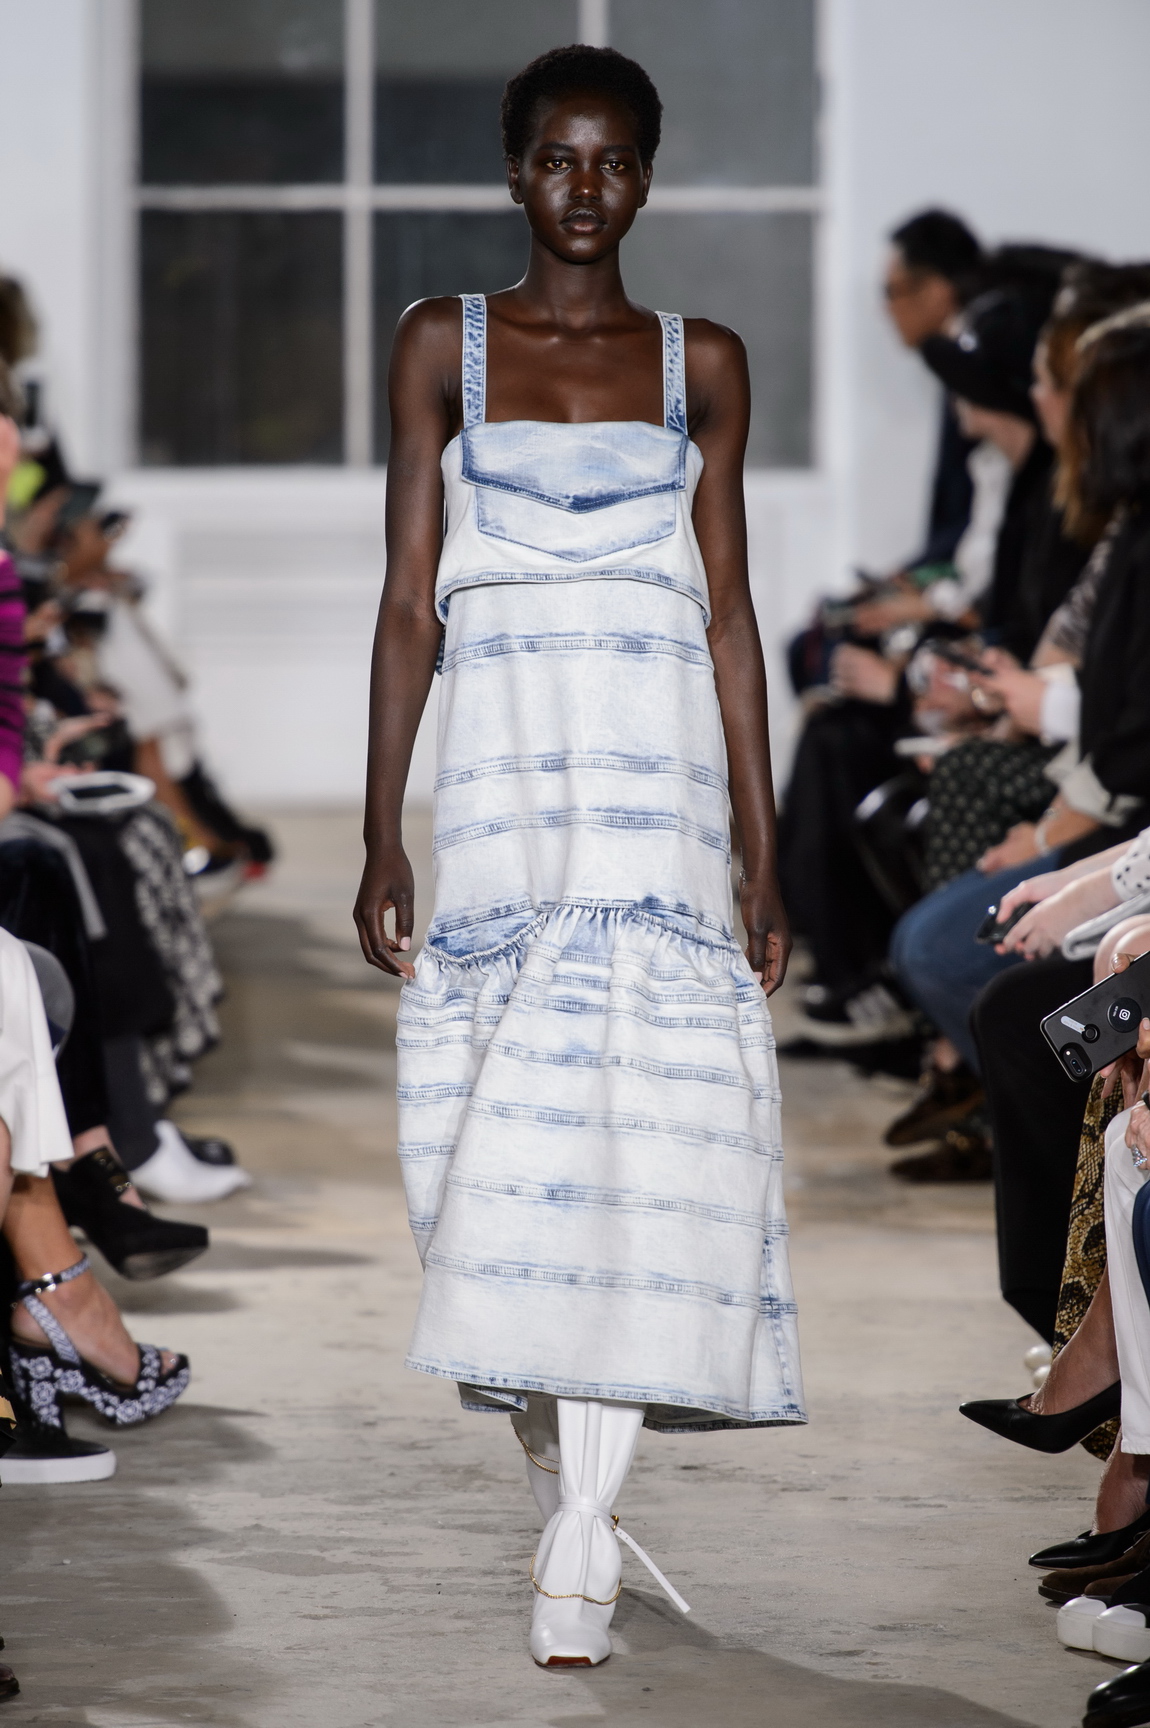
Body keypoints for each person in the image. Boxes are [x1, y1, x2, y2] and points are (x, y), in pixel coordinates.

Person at [354, 43, 804, 1669]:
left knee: (638, 1133)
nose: (585, 187)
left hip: (652, 791)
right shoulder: (439, 344)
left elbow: (730, 617)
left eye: (613, 160)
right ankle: (562, 1467)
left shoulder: (703, 362)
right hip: (500, 786)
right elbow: (408, 603)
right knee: (505, 1139)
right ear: (514, 170)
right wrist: (379, 828)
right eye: (557, 157)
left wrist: (759, 849)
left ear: (648, 176)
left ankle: (584, 1535)